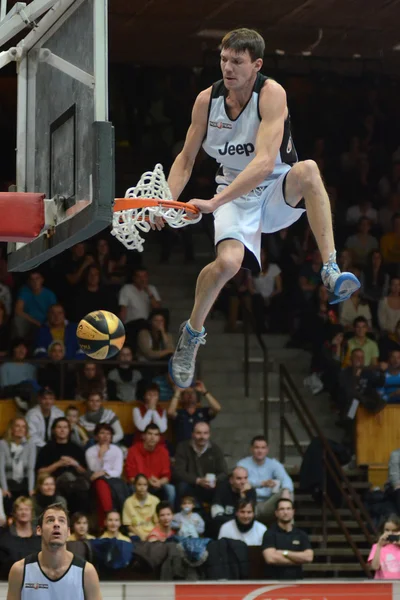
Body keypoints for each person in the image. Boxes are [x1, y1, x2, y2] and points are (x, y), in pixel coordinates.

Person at [167, 28, 360, 388]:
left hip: (274, 188)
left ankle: (331, 268)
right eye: (224, 59)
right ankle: (191, 334)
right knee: (227, 264)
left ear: (256, 65)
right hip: (233, 194)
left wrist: (211, 202)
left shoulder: (271, 95)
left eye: (237, 62)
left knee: (309, 170)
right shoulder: (205, 101)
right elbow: (186, 159)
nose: (228, 68)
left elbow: (262, 163)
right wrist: (165, 200)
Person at [6, 502, 102, 599]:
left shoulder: (87, 572)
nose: (56, 524)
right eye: (50, 520)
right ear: (39, 530)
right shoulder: (20, 570)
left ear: (68, 531)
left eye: (61, 521)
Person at [35, 418, 89, 514]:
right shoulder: (46, 449)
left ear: (69, 430)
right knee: (67, 478)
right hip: (54, 483)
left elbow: (84, 471)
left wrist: (74, 463)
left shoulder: (76, 448)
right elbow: (40, 472)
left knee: (79, 487)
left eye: (65, 427)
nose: (62, 430)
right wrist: (58, 464)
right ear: (54, 430)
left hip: (76, 484)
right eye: (59, 427)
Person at [238, 436, 294, 525]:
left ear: (267, 450)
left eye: (263, 448)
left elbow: (287, 480)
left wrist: (286, 490)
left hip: (269, 503)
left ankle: (289, 529)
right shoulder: (243, 464)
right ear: (251, 449)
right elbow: (240, 483)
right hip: (251, 503)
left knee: (288, 492)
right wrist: (262, 483)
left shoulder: (273, 464)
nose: (260, 451)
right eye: (257, 447)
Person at [173, 421, 228, 505]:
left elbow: (224, 472)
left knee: (224, 485)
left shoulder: (215, 449)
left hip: (210, 486)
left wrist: (214, 480)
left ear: (209, 434)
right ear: (192, 434)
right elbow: (178, 471)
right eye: (198, 433)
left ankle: (216, 512)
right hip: (191, 484)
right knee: (181, 486)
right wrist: (198, 481)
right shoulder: (183, 447)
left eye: (205, 433)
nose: (202, 436)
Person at [262, 498, 313, 579]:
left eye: (288, 509)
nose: (285, 512)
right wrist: (297, 560)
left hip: (297, 582)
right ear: (276, 513)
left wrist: (284, 553)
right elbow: (270, 558)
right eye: (282, 509)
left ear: (293, 512)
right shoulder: (269, 534)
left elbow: (308, 557)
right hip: (274, 583)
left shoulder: (301, 534)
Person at [124, 424, 175, 506]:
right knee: (132, 488)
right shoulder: (133, 450)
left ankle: (168, 515)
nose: (152, 437)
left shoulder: (163, 451)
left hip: (157, 485)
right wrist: (146, 482)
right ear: (143, 436)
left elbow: (167, 476)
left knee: (170, 489)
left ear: (159, 438)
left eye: (156, 435)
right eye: (149, 434)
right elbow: (131, 477)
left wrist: (160, 482)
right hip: (139, 485)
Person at [85, 423, 125, 525]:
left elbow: (118, 472)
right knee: (100, 483)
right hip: (97, 481)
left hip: (115, 481)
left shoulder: (117, 450)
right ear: (96, 436)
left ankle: (108, 520)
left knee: (103, 482)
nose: (106, 436)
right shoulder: (90, 451)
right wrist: (100, 455)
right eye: (102, 433)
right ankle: (108, 517)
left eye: (108, 433)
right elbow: (94, 470)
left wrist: (104, 472)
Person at [0, 418, 36, 512]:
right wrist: (4, 488)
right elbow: (1, 469)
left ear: (26, 430)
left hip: (24, 483)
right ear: (11, 428)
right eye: (17, 426)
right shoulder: (3, 444)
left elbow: (30, 469)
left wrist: (31, 489)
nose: (20, 429)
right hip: (8, 483)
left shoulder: (30, 444)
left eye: (23, 427)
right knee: (8, 504)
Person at [0, 497, 41, 579]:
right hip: (7, 581)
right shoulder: (4, 536)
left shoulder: (40, 537)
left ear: (31, 513)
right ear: (15, 513)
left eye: (27, 509)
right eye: (20, 509)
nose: (24, 512)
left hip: (37, 582)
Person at [211, 467, 256, 534]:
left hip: (245, 528)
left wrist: (242, 495)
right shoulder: (222, 490)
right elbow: (216, 516)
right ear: (231, 480)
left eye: (245, 478)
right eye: (239, 478)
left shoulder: (250, 491)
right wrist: (237, 520)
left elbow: (249, 517)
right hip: (224, 528)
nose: (243, 482)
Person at [13, 271, 57, 340]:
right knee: (18, 320)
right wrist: (36, 322)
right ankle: (20, 343)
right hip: (29, 321)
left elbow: (54, 312)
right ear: (29, 281)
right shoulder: (24, 291)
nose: (35, 281)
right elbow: (18, 310)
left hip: (45, 322)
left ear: (42, 280)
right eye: (32, 279)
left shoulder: (49, 294)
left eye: (37, 278)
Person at [122, 474, 160, 540]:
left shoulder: (155, 500)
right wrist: (141, 535)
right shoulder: (128, 502)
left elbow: (157, 523)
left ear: (148, 486)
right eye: (139, 484)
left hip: (152, 533)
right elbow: (128, 525)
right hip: (135, 534)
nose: (142, 487)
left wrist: (152, 534)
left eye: (145, 485)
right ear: (134, 486)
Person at [368, 514, 400, 579]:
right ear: (382, 531)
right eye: (387, 530)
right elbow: (375, 567)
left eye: (395, 531)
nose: (390, 533)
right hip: (383, 586)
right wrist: (379, 546)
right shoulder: (376, 546)